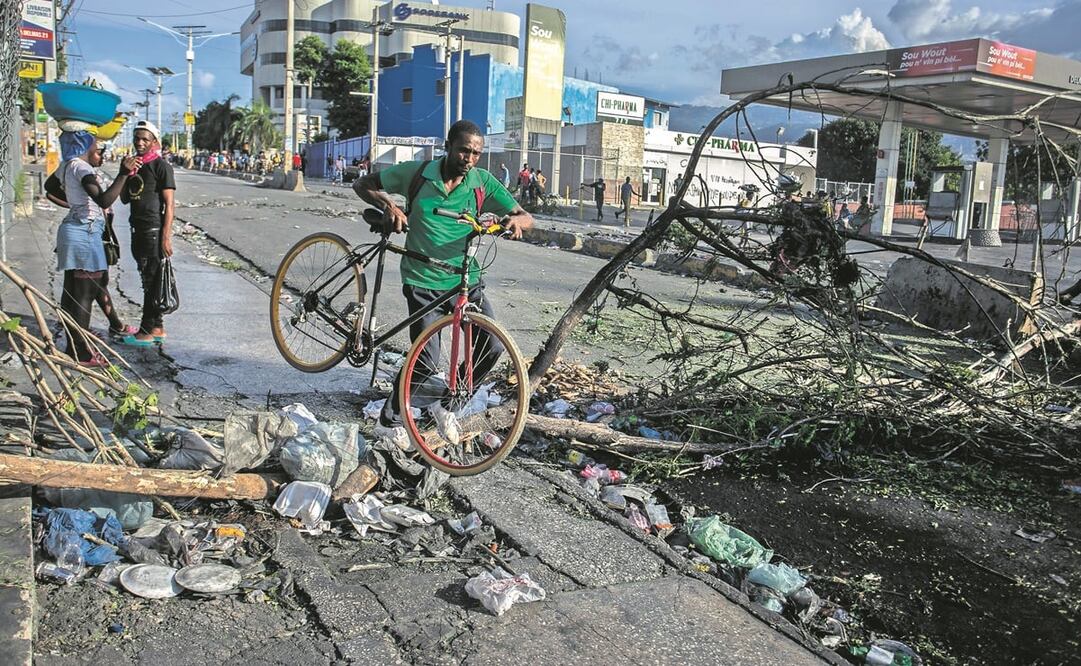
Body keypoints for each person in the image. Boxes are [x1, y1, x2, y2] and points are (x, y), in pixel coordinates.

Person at [353, 120, 534, 447]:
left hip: (466, 279)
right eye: (464, 150)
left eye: (476, 153)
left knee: (491, 348)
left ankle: (447, 405)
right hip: (423, 278)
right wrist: (390, 205)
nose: (469, 158)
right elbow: (363, 184)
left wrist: (514, 221)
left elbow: (525, 215)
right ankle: (387, 420)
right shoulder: (417, 173)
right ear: (448, 146)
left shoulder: (483, 183)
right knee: (425, 360)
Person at [51, 131, 140, 365]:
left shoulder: (68, 165)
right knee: (84, 295)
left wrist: (75, 204)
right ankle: (80, 353)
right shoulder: (83, 169)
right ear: (85, 148)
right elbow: (104, 200)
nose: (101, 154)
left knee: (73, 291)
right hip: (84, 234)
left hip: (74, 229)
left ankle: (75, 342)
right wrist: (123, 173)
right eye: (98, 150)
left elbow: (50, 186)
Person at [119, 120, 176, 346]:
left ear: (154, 142)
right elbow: (124, 198)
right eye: (137, 139)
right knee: (148, 279)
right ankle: (157, 326)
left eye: (145, 139)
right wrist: (125, 172)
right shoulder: (134, 166)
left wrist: (165, 236)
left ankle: (145, 332)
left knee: (151, 281)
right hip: (137, 230)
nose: (140, 143)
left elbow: (169, 205)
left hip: (152, 231)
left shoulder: (161, 166)